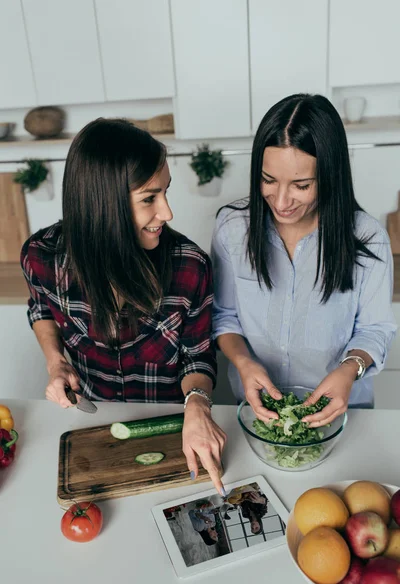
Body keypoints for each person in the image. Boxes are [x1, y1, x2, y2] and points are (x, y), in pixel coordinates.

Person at [20, 118, 226, 493]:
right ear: (102, 205)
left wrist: (198, 402)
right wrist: (56, 362)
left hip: (170, 427)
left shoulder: (190, 266)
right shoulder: (41, 257)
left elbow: (198, 356)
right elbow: (41, 308)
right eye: (149, 198)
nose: (167, 212)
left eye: (165, 193)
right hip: (91, 429)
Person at [212, 93, 397, 427]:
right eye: (268, 180)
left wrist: (350, 368)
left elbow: (375, 329)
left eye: (301, 185)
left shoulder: (367, 238)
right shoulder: (231, 229)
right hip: (259, 412)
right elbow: (225, 316)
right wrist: (243, 362)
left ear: (330, 176)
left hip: (343, 414)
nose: (281, 201)